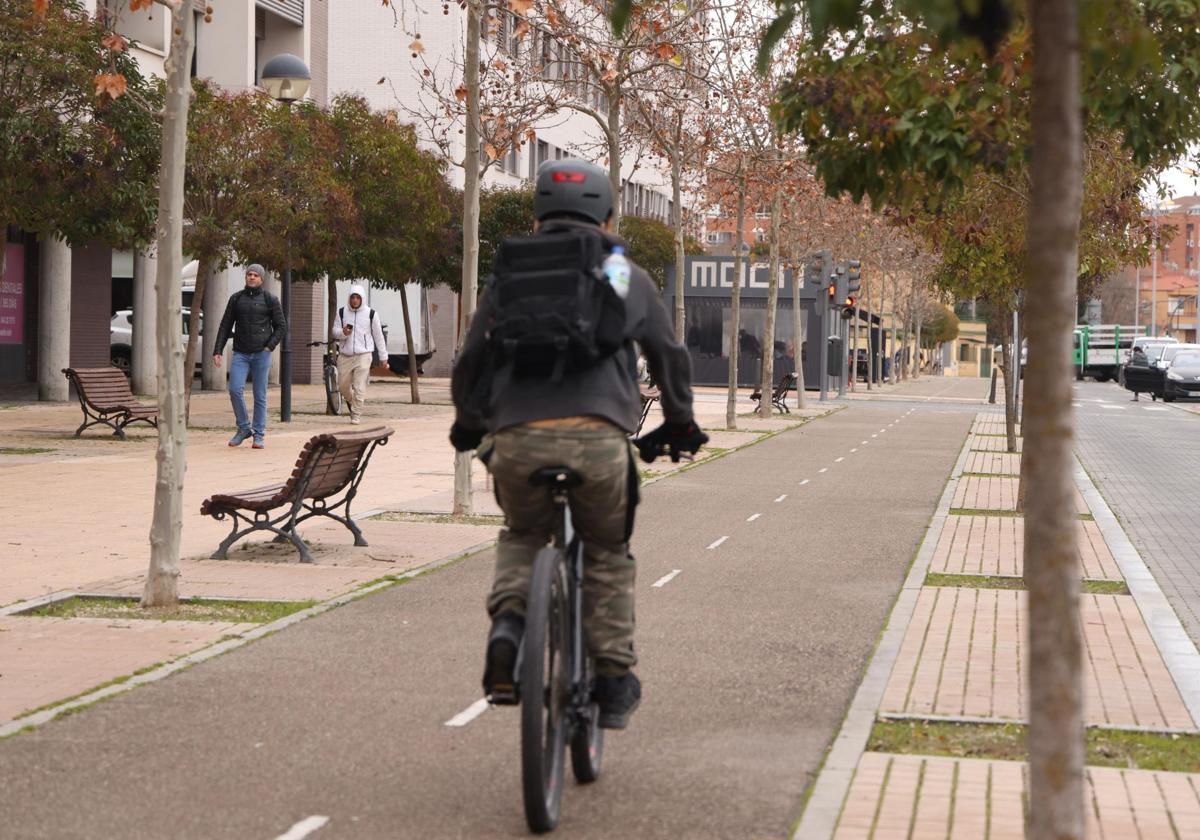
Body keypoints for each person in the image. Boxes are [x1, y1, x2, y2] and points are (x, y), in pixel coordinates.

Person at [449, 158, 704, 730]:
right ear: (607, 212)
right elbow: (666, 353)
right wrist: (680, 421)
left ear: (538, 210)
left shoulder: (509, 276)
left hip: (518, 439)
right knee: (607, 551)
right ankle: (613, 679)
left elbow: (471, 360)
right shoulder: (618, 270)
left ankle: (510, 628)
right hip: (598, 440)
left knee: (522, 534)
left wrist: (468, 424)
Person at [213, 264, 286, 449]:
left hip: (262, 353)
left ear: (261, 279)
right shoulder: (236, 299)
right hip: (241, 353)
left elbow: (281, 326)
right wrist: (217, 350)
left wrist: (270, 346)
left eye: (255, 275)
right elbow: (225, 325)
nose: (251, 277)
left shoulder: (270, 299)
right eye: (249, 274)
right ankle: (244, 428)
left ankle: (259, 434)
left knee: (259, 395)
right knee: (235, 389)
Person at [331, 284, 388, 424]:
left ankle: (356, 414)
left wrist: (383, 357)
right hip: (345, 355)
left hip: (364, 355)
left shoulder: (371, 314)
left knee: (359, 385)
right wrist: (343, 333)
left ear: (362, 299)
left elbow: (378, 336)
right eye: (353, 297)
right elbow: (334, 331)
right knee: (342, 385)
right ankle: (353, 401)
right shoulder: (342, 312)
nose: (355, 300)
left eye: (358, 297)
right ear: (349, 298)